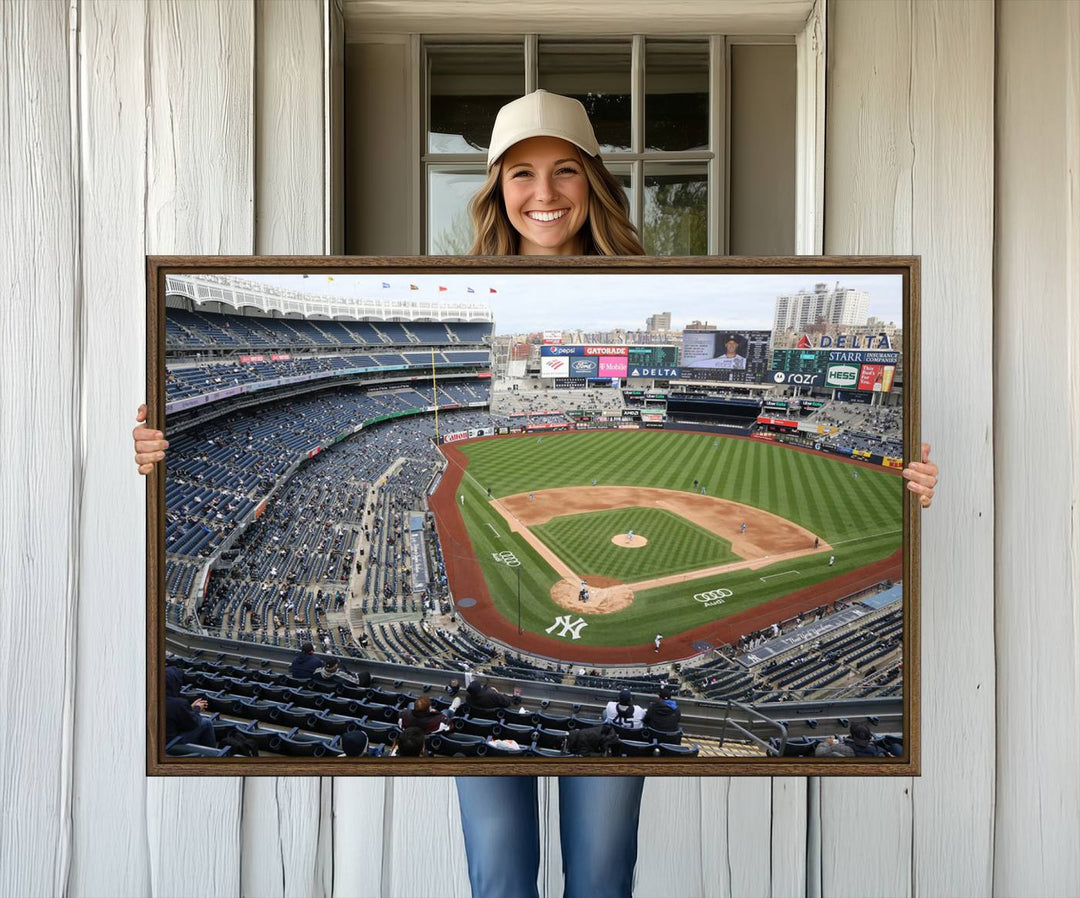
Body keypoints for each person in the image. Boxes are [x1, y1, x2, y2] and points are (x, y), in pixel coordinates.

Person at [132, 88, 939, 898]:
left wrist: (911, 477)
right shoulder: (462, 286)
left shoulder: (668, 285)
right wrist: (157, 444)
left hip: (557, 723)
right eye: (521, 173)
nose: (543, 193)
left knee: (599, 876)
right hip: (505, 726)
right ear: (496, 189)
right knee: (500, 877)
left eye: (564, 171)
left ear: (593, 181)